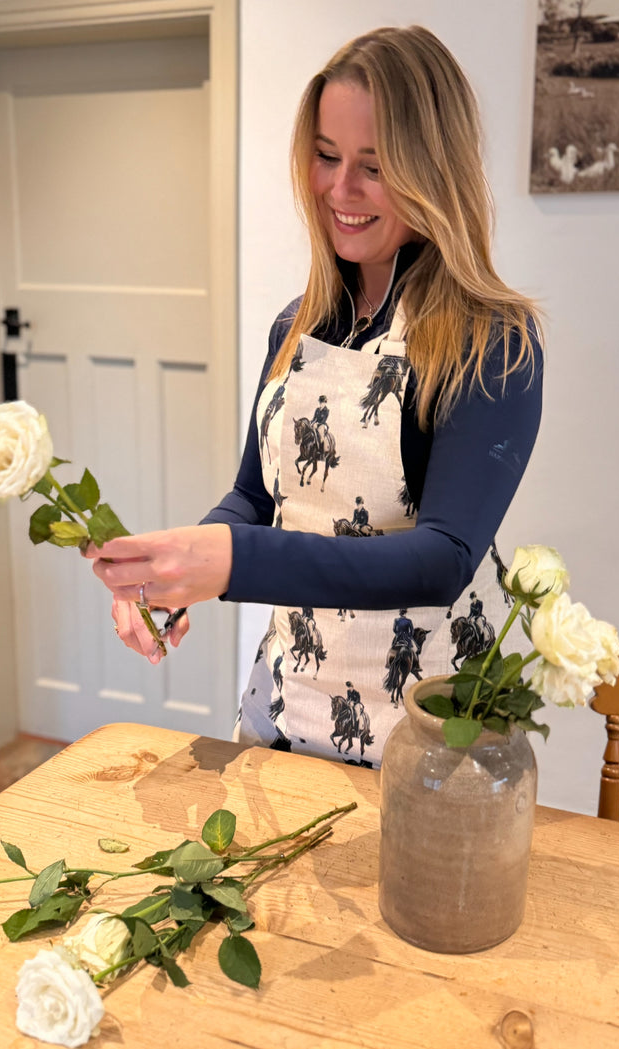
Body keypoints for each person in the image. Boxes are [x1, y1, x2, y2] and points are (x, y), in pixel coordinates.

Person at [87, 25, 543, 768]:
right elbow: (252, 495)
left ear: (435, 170)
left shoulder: (491, 341)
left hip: (428, 739)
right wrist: (173, 575)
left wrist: (232, 561)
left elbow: (441, 559)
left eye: (374, 166)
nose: (339, 189)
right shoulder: (294, 327)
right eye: (326, 157)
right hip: (283, 715)